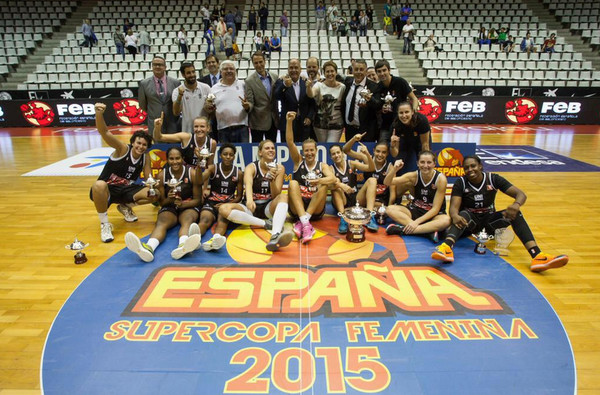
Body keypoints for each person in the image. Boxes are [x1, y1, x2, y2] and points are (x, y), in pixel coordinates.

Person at [431, 155, 569, 273]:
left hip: (489, 223)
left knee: (515, 214)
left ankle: (537, 255)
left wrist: (515, 205)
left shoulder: (493, 179)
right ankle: (446, 248)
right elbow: (453, 209)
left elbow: (520, 194)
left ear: (480, 166)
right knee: (463, 214)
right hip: (468, 224)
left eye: (473, 166)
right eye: (466, 168)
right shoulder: (461, 183)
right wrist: (455, 216)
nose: (470, 170)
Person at [90, 103, 156, 243]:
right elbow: (105, 132)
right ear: (132, 142)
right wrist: (99, 113)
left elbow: (149, 177)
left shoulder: (146, 157)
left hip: (126, 190)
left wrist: (153, 187)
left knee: (154, 194)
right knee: (98, 185)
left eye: (144, 145)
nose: (141, 146)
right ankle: (105, 224)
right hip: (108, 190)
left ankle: (125, 207)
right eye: (138, 143)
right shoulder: (122, 149)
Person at [125, 146, 202, 262]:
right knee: (161, 223)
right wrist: (170, 199)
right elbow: (162, 202)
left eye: (177, 158)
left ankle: (183, 245)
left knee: (187, 220)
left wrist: (183, 204)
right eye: (171, 159)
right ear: (167, 160)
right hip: (170, 206)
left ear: (183, 159)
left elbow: (198, 200)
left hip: (188, 205)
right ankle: (149, 248)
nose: (175, 162)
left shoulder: (192, 173)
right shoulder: (162, 175)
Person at [217, 140, 294, 252]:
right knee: (223, 209)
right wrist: (249, 199)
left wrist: (271, 180)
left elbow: (276, 195)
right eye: (267, 148)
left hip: (268, 207)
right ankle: (265, 224)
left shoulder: (280, 168)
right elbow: (248, 184)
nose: (271, 150)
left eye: (272, 148)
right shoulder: (251, 167)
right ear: (260, 153)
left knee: (283, 197)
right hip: (251, 207)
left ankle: (275, 234)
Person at [286, 111, 336, 243]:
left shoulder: (322, 165)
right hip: (297, 207)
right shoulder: (298, 161)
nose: (309, 153)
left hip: (316, 209)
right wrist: (289, 122)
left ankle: (303, 221)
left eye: (311, 150)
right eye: (306, 150)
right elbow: (290, 142)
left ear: (316, 151)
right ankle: (305, 223)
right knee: (292, 184)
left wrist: (318, 180)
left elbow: (333, 179)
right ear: (303, 152)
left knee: (324, 184)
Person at [384, 151, 451, 241]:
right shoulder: (414, 176)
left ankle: (403, 230)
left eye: (429, 162)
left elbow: (435, 209)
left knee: (446, 220)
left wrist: (416, 223)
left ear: (434, 164)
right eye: (422, 162)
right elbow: (387, 182)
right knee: (389, 209)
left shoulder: (440, 179)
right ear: (417, 164)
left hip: (434, 214)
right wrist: (395, 169)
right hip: (416, 210)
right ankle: (426, 232)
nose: (425, 165)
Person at [198, 143, 244, 251]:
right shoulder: (213, 168)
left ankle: (215, 240)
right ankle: (193, 239)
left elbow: (239, 197)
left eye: (231, 155)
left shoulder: (239, 173)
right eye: (225, 154)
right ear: (220, 155)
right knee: (205, 220)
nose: (228, 157)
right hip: (211, 202)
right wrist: (200, 164)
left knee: (222, 221)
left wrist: (227, 205)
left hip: (227, 204)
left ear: (234, 157)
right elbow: (199, 181)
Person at [329, 141, 376, 233]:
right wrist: (342, 185)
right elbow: (328, 185)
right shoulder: (331, 168)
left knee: (372, 180)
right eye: (333, 154)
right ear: (331, 157)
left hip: (355, 199)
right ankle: (343, 218)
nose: (336, 155)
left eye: (338, 152)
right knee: (335, 186)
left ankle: (370, 217)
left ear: (342, 153)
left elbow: (371, 168)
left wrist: (367, 154)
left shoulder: (351, 164)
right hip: (342, 201)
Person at [204, 60, 249, 143]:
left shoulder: (243, 85)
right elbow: (208, 105)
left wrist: (247, 106)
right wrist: (208, 107)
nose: (229, 71)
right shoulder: (214, 88)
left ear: (235, 71)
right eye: (225, 69)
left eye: (231, 69)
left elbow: (250, 103)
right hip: (223, 129)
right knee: (225, 154)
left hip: (242, 128)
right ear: (221, 72)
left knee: (245, 153)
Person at [375, 59, 419, 142]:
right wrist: (382, 109)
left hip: (402, 123)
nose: (382, 73)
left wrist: (413, 114)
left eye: (384, 70)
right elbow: (377, 105)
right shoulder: (378, 87)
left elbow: (414, 99)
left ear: (389, 70)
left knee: (403, 148)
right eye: (379, 71)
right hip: (386, 125)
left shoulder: (400, 82)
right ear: (376, 73)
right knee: (382, 147)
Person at [274, 58, 316, 143]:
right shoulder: (281, 82)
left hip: (304, 126)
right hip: (287, 125)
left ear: (300, 69)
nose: (294, 70)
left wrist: (309, 117)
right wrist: (284, 85)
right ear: (288, 69)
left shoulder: (306, 83)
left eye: (296, 68)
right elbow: (276, 96)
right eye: (291, 68)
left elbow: (312, 103)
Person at [342, 59, 381, 142]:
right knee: (350, 154)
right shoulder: (347, 83)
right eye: (356, 69)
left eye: (361, 69)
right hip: (349, 130)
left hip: (366, 131)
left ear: (366, 71)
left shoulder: (374, 86)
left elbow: (378, 106)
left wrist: (370, 99)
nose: (358, 72)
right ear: (352, 70)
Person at [305, 60, 345, 142]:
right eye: (327, 71)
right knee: (322, 147)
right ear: (324, 73)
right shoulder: (319, 85)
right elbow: (311, 94)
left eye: (332, 71)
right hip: (320, 125)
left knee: (331, 146)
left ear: (336, 72)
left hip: (336, 124)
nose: (330, 74)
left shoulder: (342, 87)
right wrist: (308, 86)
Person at [138, 56, 180, 134]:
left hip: (172, 123)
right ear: (152, 67)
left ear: (165, 67)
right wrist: (154, 113)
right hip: (154, 123)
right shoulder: (144, 84)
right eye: (155, 64)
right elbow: (142, 105)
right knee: (156, 145)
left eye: (160, 65)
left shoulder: (176, 83)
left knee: (173, 145)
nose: (157, 67)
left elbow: (178, 103)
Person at [245, 51, 279, 142]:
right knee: (257, 150)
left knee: (272, 149)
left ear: (265, 61)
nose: (259, 65)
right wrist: (247, 106)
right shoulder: (249, 81)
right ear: (253, 64)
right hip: (257, 122)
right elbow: (250, 102)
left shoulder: (274, 77)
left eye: (261, 62)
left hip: (273, 121)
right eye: (256, 63)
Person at [172, 62, 212, 135]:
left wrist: (209, 108)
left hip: (204, 130)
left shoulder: (206, 88)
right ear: (183, 75)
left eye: (193, 72)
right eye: (188, 73)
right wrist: (180, 96)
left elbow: (211, 110)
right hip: (187, 131)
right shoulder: (177, 91)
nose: (192, 75)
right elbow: (176, 112)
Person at [389, 101, 431, 167]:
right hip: (404, 140)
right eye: (401, 113)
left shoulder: (422, 120)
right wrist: (392, 145)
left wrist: (425, 162)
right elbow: (395, 154)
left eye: (406, 112)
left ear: (412, 112)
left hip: (420, 140)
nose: (404, 115)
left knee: (424, 162)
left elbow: (425, 144)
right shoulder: (395, 126)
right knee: (397, 163)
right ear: (397, 114)